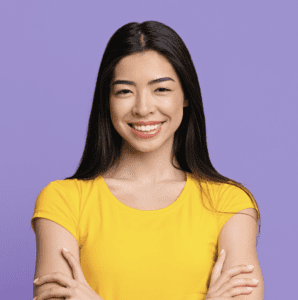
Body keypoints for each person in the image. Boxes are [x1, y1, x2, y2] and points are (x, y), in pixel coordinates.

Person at [31, 21, 264, 300]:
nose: (143, 108)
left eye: (161, 89)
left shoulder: (230, 204)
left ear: (186, 96)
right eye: (124, 91)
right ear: (107, 101)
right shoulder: (63, 202)